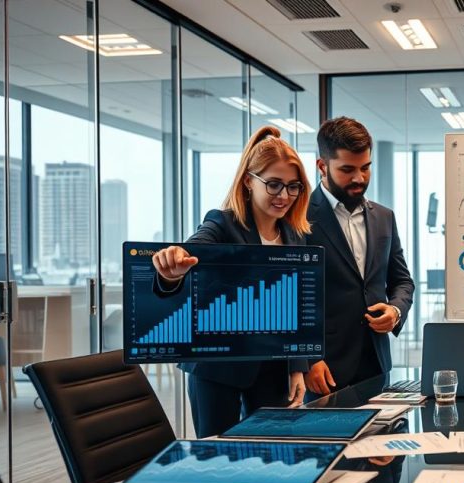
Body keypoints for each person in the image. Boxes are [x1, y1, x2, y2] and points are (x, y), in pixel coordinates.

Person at [152, 126, 312, 437]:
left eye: (293, 187)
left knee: (271, 452)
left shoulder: (295, 236)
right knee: (219, 455)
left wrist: (297, 366)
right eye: (274, 184)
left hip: (272, 367)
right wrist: (175, 262)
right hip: (218, 367)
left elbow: (294, 309)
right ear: (249, 181)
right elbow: (196, 248)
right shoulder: (222, 223)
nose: (284, 196)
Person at [304, 117, 414, 394]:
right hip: (324, 369)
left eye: (365, 168)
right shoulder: (299, 217)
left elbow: (402, 281)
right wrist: (308, 359)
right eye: (347, 169)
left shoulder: (384, 217)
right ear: (322, 166)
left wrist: (395, 311)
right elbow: (290, 297)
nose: (359, 178)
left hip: (376, 364)